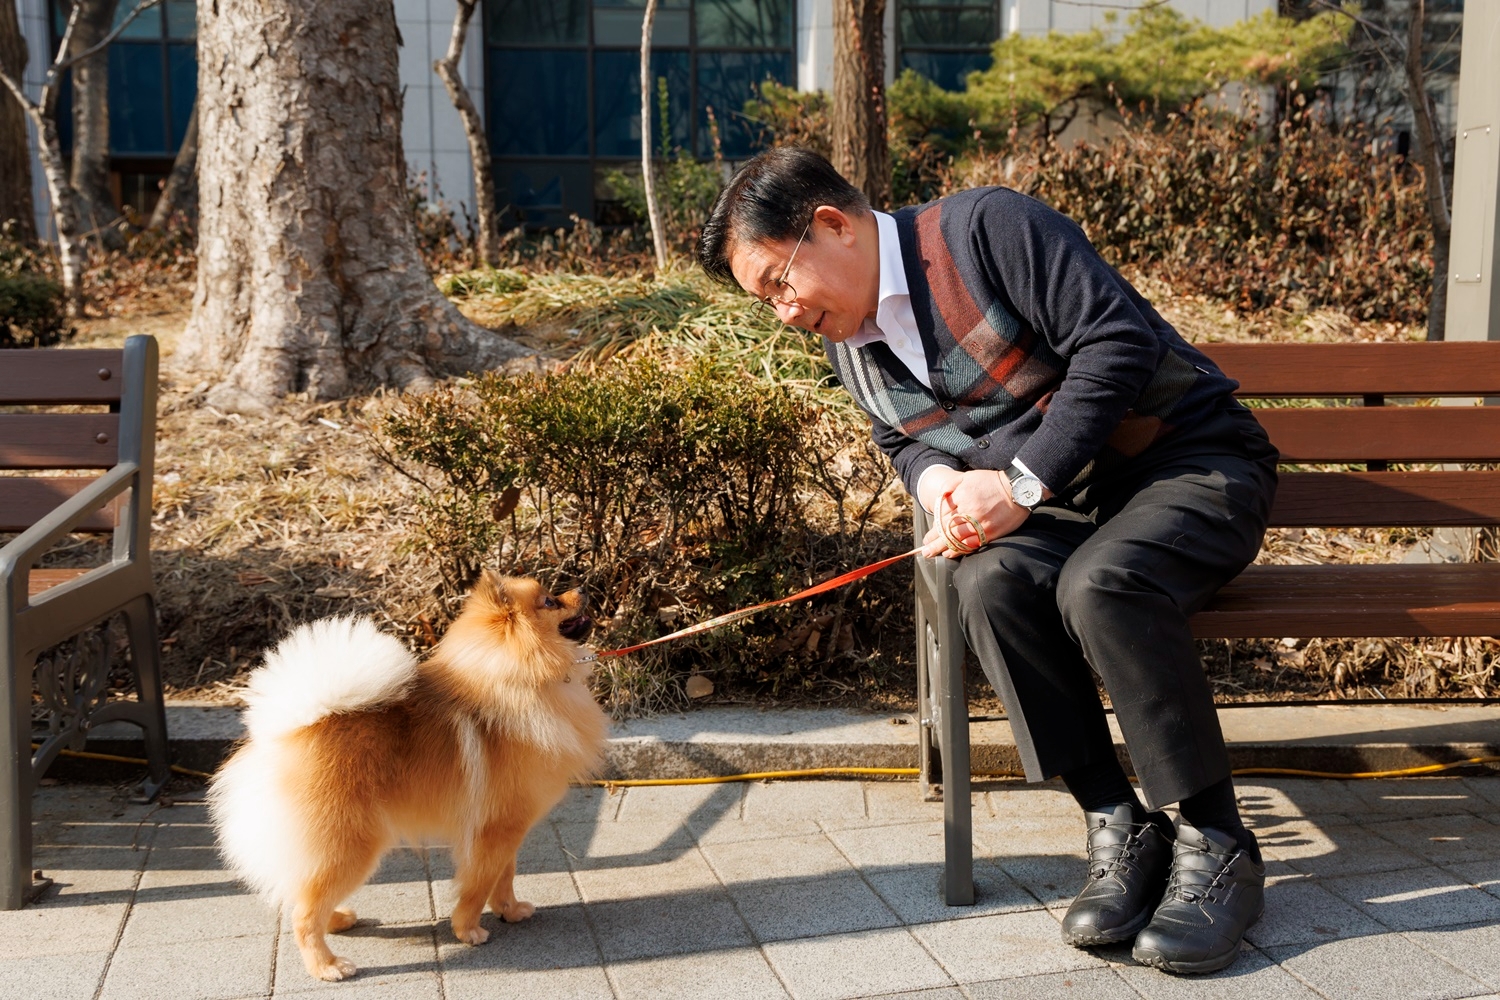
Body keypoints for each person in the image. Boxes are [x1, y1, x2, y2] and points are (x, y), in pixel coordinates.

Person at [695, 147, 1279, 974]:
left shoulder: (987, 229)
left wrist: (1018, 483)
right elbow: (895, 433)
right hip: (1068, 502)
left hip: (1188, 463)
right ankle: (1118, 821)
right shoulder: (846, 337)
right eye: (767, 302)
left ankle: (1218, 840)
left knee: (1101, 584)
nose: (784, 313)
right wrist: (940, 486)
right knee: (991, 582)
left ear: (832, 225)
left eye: (779, 283)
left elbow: (1115, 342)